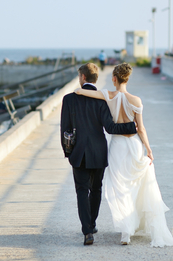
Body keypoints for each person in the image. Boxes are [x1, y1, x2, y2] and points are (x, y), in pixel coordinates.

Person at [75, 63, 173, 247]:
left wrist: (78, 90)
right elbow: (141, 128)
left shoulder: (108, 95)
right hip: (134, 145)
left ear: (114, 78)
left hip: (117, 147)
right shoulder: (136, 101)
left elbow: (87, 92)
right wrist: (149, 149)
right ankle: (128, 230)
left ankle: (125, 231)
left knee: (120, 188)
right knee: (135, 186)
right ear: (127, 79)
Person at [60, 63, 137, 246]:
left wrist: (68, 152)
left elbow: (65, 129)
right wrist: (133, 127)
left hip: (78, 153)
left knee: (81, 190)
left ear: (83, 77)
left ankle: (87, 231)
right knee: (96, 190)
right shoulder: (102, 99)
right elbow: (110, 128)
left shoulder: (69, 99)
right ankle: (92, 223)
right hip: (99, 152)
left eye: (80, 76)